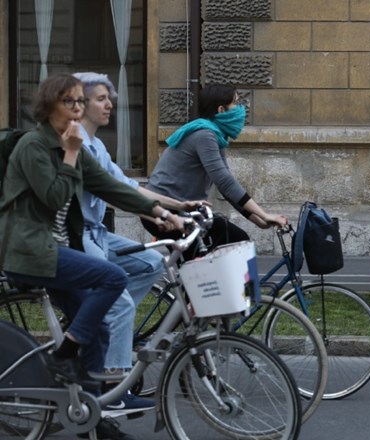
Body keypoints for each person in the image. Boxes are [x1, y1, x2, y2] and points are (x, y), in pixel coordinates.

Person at [0, 73, 185, 440]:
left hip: (56, 250)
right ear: (49, 107)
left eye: (80, 102)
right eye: (69, 102)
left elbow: (112, 187)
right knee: (111, 277)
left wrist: (161, 214)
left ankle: (89, 413)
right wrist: (70, 153)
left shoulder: (74, 149)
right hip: (30, 252)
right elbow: (53, 196)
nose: (77, 109)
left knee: (98, 325)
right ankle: (64, 355)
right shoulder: (34, 147)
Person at [73, 72, 204, 417]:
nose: (109, 104)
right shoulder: (76, 144)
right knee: (120, 304)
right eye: (101, 98)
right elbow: (113, 191)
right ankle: (112, 389)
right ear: (80, 104)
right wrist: (160, 214)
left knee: (150, 263)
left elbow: (127, 185)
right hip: (79, 235)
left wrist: (179, 205)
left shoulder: (97, 145)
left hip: (98, 232)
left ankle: (104, 327)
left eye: (108, 98)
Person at [142, 84, 287, 254]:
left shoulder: (215, 135)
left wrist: (258, 219)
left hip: (182, 209)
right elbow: (225, 182)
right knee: (235, 241)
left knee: (218, 256)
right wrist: (264, 214)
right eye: (236, 103)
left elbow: (226, 188)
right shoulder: (205, 135)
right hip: (164, 210)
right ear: (221, 109)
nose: (241, 109)